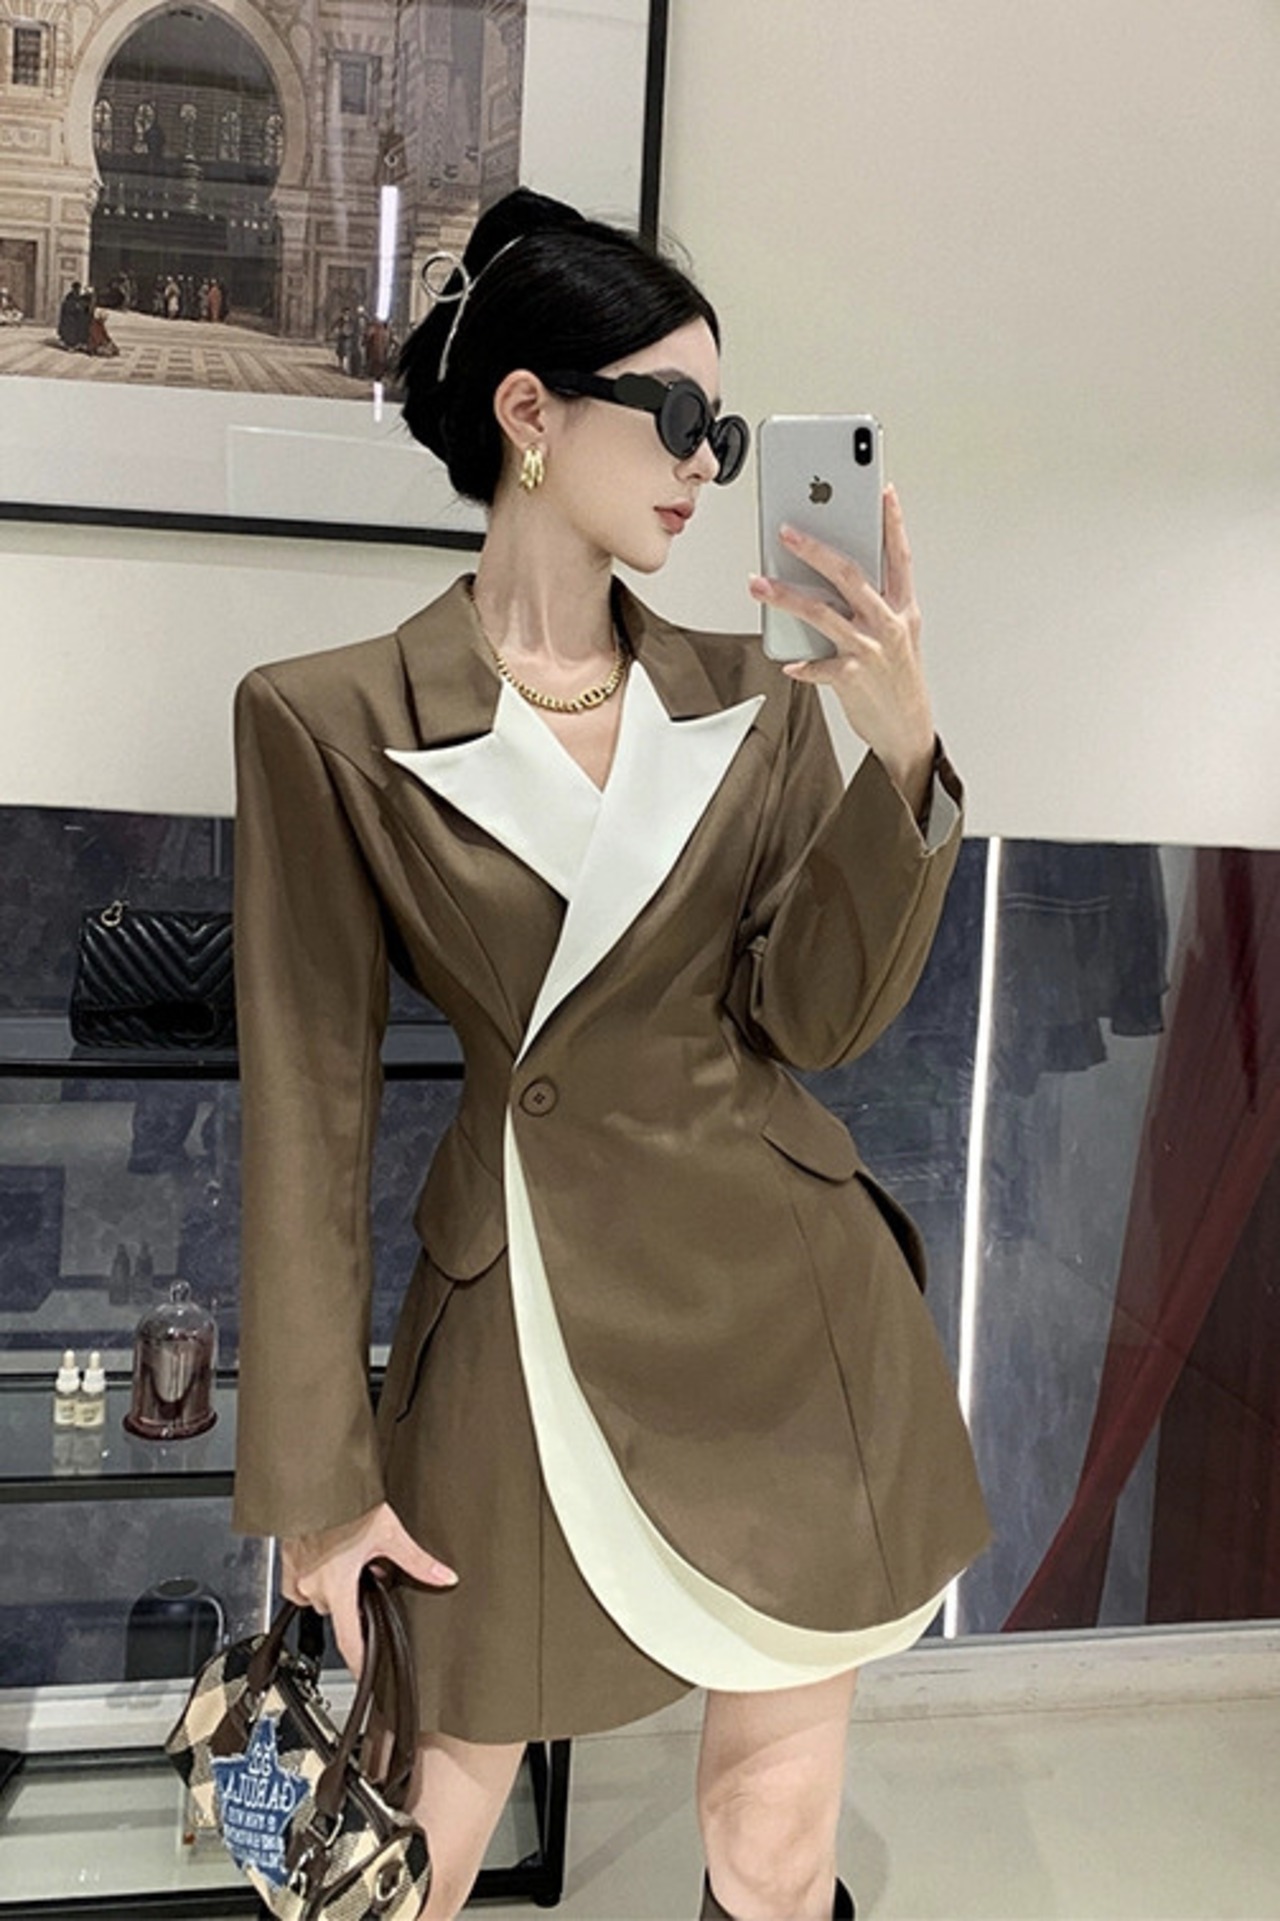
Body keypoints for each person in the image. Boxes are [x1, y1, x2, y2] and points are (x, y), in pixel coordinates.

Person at [231, 187, 990, 1921]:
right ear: (529, 412)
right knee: (412, 1836)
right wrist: (317, 1485)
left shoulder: (755, 698)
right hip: (520, 1318)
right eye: (672, 412)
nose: (706, 461)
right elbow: (307, 1114)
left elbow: (814, 1021)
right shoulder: (328, 718)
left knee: (770, 1841)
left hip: (782, 1315)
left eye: (724, 429)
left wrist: (902, 759)